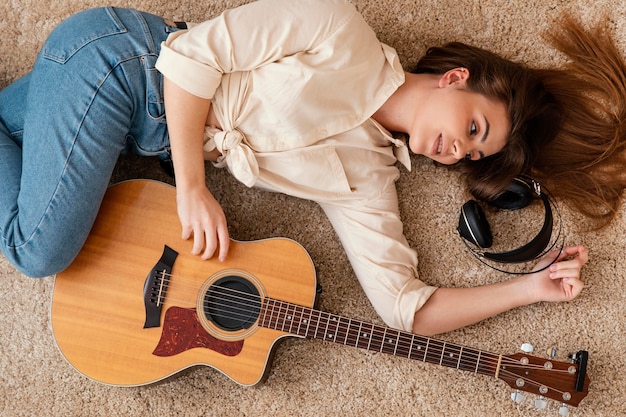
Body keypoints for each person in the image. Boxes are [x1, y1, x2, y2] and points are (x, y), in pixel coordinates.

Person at [0, 0, 622, 336]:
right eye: (474, 128)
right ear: (456, 79)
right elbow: (192, 57)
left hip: (136, 141)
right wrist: (192, 186)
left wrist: (528, 290)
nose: (459, 152)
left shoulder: (371, 178)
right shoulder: (337, 27)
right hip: (121, 69)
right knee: (38, 252)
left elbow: (406, 308)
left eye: (474, 156)